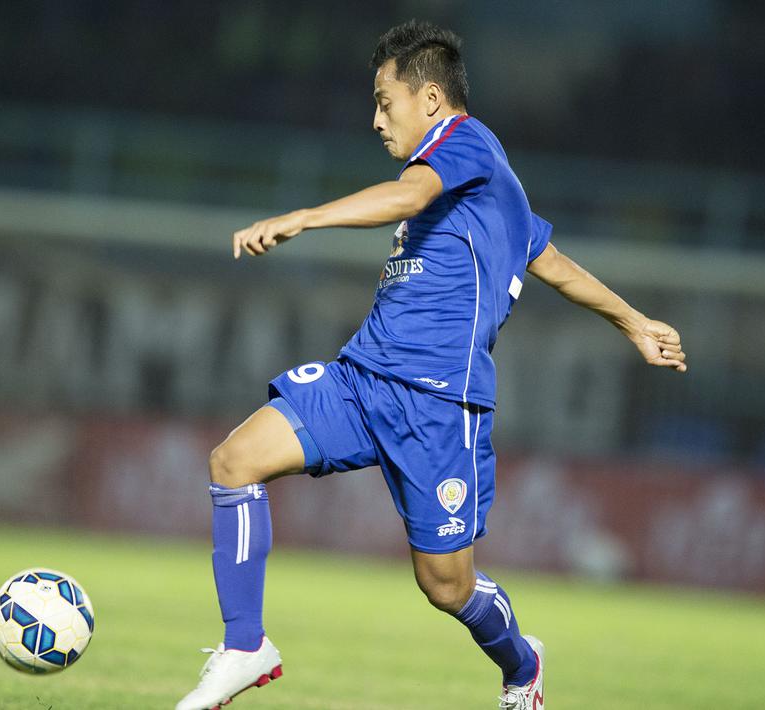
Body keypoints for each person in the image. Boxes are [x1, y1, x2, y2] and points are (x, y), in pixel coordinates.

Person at [175, 19, 687, 710]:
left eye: (385, 103)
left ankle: (522, 665)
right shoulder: (479, 187)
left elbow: (411, 197)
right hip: (361, 379)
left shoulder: (464, 145)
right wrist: (633, 322)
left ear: (432, 101)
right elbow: (550, 262)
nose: (375, 120)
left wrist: (304, 216)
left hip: (437, 403)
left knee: (444, 585)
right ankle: (245, 646)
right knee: (234, 461)